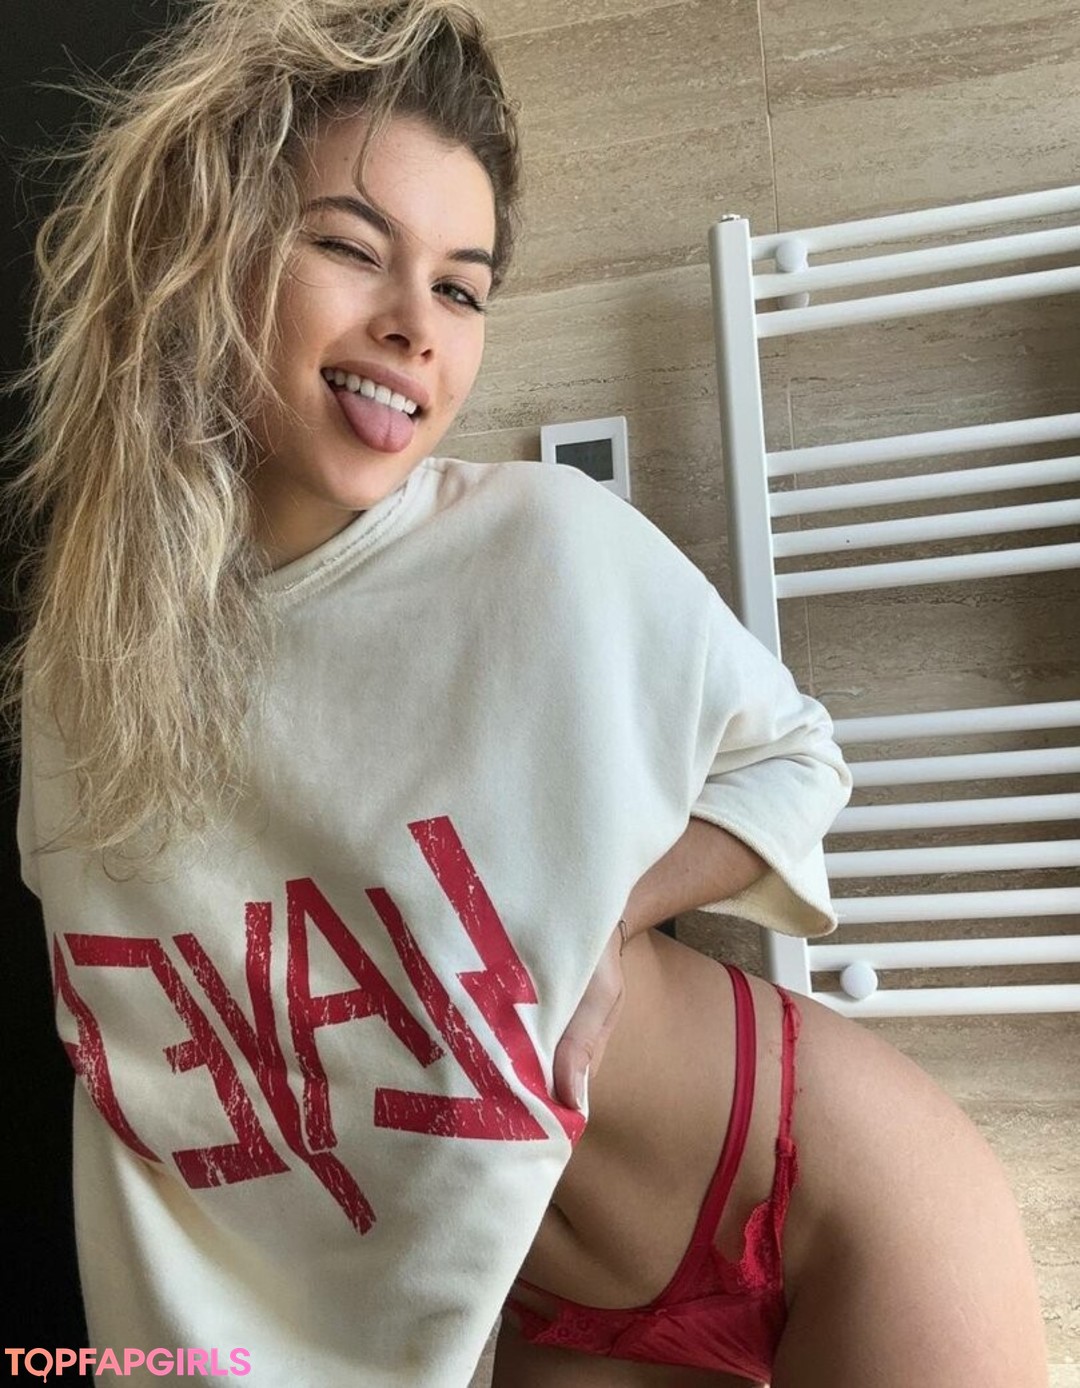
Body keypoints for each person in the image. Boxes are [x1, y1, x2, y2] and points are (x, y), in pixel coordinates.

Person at [1, 2, 1047, 1385]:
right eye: (350, 248)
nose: (413, 327)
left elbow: (797, 757)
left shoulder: (544, 549)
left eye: (462, 288)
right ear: (213, 251)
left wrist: (605, 919)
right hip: (540, 1303)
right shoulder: (94, 673)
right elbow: (151, 1094)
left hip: (822, 1196)